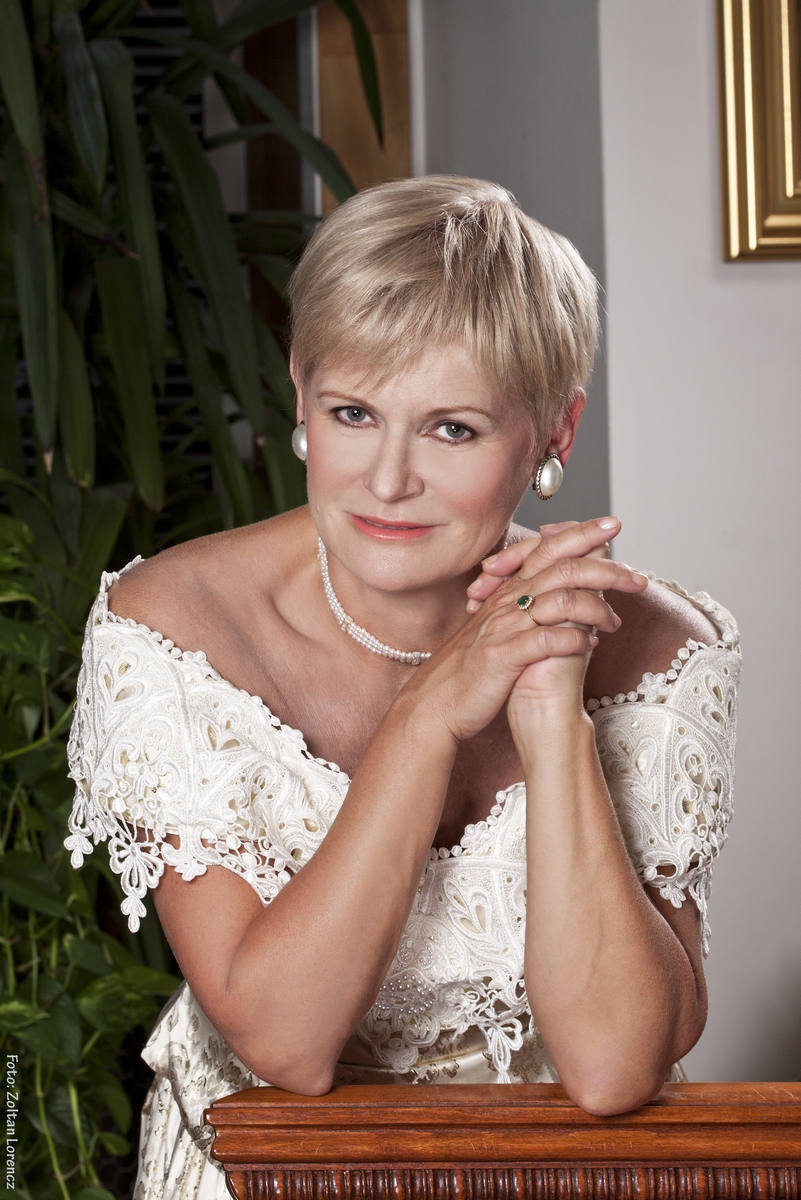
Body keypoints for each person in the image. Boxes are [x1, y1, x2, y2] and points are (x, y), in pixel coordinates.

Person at [64, 176, 740, 1200]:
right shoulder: (173, 630)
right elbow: (285, 1045)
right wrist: (426, 718)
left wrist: (552, 714)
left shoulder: (656, 649)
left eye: (451, 429)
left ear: (556, 431)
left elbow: (613, 1068)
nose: (386, 481)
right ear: (300, 396)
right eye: (353, 412)